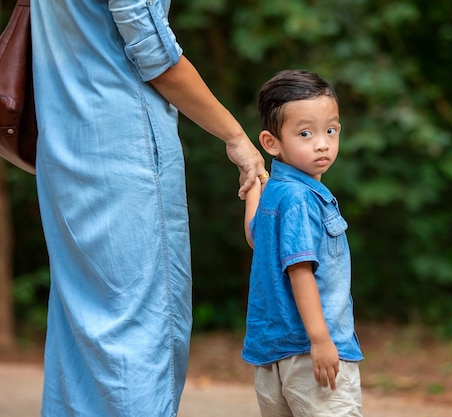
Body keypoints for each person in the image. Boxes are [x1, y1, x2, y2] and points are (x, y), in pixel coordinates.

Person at [30, 1, 267, 416]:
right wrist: (235, 137)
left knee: (79, 332)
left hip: (64, 147)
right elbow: (155, 54)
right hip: (124, 150)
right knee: (140, 331)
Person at [242, 69, 364, 416]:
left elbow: (255, 235)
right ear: (271, 142)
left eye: (331, 130)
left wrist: (254, 184)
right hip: (312, 353)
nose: (322, 142)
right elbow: (300, 271)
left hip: (272, 354)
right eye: (305, 133)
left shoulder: (276, 192)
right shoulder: (301, 198)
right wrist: (321, 340)